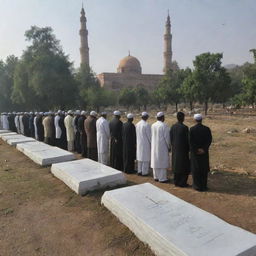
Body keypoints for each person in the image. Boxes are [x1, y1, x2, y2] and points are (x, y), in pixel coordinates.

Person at [190, 114, 212, 191]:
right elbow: (209, 140)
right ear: (201, 120)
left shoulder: (192, 129)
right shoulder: (207, 129)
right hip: (204, 153)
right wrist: (204, 149)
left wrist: (196, 150)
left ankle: (196, 186)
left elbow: (191, 142)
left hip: (195, 154)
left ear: (194, 120)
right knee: (204, 169)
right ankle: (204, 186)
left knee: (196, 169)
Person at [170, 112, 190, 187]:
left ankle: (176, 181)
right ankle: (182, 182)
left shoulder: (173, 127)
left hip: (175, 149)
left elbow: (171, 138)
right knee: (184, 166)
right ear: (183, 118)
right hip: (183, 149)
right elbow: (188, 140)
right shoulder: (185, 128)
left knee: (176, 165)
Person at [151, 112, 170, 183]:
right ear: (162, 118)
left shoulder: (153, 125)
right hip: (162, 146)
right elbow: (167, 138)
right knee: (162, 161)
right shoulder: (164, 125)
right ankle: (162, 178)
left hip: (154, 145)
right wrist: (169, 146)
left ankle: (156, 176)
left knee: (155, 161)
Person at [136, 112, 151, 176]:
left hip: (139, 143)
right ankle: (144, 172)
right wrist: (151, 143)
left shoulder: (137, 124)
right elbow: (149, 136)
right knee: (145, 158)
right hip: (145, 143)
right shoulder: (146, 125)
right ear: (146, 117)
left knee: (140, 157)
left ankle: (139, 170)